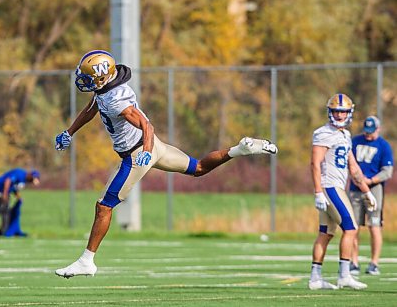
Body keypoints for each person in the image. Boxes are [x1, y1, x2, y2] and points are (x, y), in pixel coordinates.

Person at [53, 50, 278, 278]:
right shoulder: (105, 90)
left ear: (103, 77)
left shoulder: (114, 100)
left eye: (89, 76)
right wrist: (69, 132)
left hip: (138, 153)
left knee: (104, 207)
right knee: (199, 168)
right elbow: (91, 109)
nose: (84, 80)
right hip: (152, 147)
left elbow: (147, 126)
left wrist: (146, 153)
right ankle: (241, 149)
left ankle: (86, 261)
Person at [308, 93, 377, 290]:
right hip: (330, 187)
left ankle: (315, 278)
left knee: (326, 233)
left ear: (349, 112)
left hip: (334, 187)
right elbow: (315, 163)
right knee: (351, 229)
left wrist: (366, 191)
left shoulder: (345, 135)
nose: (339, 115)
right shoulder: (323, 133)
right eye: (336, 111)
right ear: (330, 112)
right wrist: (318, 192)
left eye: (343, 111)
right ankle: (344, 275)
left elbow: (353, 167)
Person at [349, 116, 394, 276]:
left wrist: (370, 180)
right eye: (366, 131)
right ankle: (353, 262)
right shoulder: (354, 141)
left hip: (374, 190)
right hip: (355, 189)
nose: (368, 135)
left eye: (371, 132)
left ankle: (374, 263)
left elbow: (387, 171)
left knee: (374, 226)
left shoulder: (383, 146)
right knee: (352, 227)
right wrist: (358, 180)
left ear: (378, 129)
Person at [0, 168, 40, 237]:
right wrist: (5, 194)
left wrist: (18, 197)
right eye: (32, 179)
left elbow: (14, 188)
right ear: (30, 175)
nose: (31, 181)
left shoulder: (24, 181)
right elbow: (8, 181)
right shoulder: (19, 174)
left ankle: (4, 231)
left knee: (6, 211)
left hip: (6, 191)